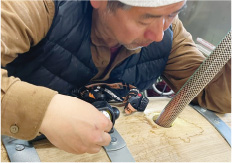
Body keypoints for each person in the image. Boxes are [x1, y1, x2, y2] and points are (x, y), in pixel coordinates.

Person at [1, 0, 231, 155]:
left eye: (172, 14)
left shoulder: (169, 34)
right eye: (145, 19)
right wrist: (44, 111)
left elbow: (215, 96)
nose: (159, 34)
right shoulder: (38, 7)